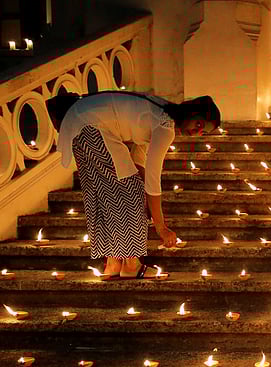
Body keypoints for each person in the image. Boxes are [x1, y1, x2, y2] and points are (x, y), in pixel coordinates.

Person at [58, 91, 221, 279]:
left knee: (107, 193)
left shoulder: (161, 113)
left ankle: (113, 262)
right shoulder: (165, 126)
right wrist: (161, 227)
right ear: (191, 113)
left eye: (203, 131)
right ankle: (130, 263)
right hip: (91, 127)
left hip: (79, 123)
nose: (197, 131)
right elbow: (152, 178)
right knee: (130, 190)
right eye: (198, 124)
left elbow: (138, 160)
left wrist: (141, 192)